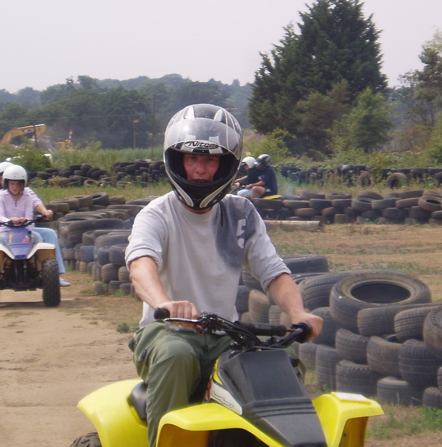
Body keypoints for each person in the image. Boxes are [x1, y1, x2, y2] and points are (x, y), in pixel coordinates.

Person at [125, 104, 323, 447]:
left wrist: (298, 312)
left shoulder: (241, 213)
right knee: (177, 356)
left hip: (223, 334)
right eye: (192, 159)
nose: (200, 170)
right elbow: (141, 265)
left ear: (226, 165)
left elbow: (274, 273)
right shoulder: (156, 215)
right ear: (177, 160)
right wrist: (164, 303)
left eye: (210, 160)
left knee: (279, 366)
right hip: (166, 332)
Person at [0, 162, 70, 289]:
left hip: (26, 228)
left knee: (48, 234)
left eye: (18, 182)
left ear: (23, 181)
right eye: (6, 180)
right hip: (4, 228)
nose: (14, 185)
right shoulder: (0, 194)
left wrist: (44, 212)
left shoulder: (27, 193)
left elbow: (35, 204)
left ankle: (53, 274)